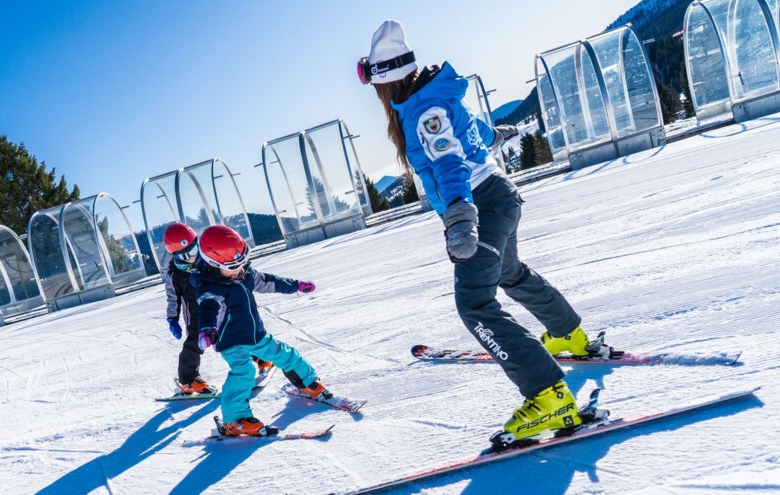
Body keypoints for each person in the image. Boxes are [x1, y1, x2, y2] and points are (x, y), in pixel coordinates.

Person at [358, 19, 605, 442]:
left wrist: (459, 216)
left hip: (481, 205)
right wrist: (497, 135)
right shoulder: (432, 95)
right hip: (497, 197)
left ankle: (550, 397)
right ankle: (570, 335)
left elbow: (451, 162)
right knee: (509, 273)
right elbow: (471, 133)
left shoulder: (423, 111)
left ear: (385, 82)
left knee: (475, 303)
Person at [192, 225, 322, 437]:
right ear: (213, 265)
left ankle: (308, 383)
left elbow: (271, 282)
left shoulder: (245, 274)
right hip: (231, 342)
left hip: (256, 335)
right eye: (232, 267)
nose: (238, 270)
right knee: (244, 372)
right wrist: (207, 330)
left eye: (241, 263)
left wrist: (296, 286)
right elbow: (208, 309)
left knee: (285, 354)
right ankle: (234, 421)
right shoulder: (210, 288)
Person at [160, 223, 273, 396]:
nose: (193, 256)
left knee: (236, 330)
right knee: (195, 342)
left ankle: (258, 355)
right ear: (175, 255)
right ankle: (187, 380)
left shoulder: (207, 258)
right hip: (196, 313)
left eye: (194, 249)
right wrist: (172, 319)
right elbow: (173, 298)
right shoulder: (174, 274)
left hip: (219, 305)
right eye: (186, 254)